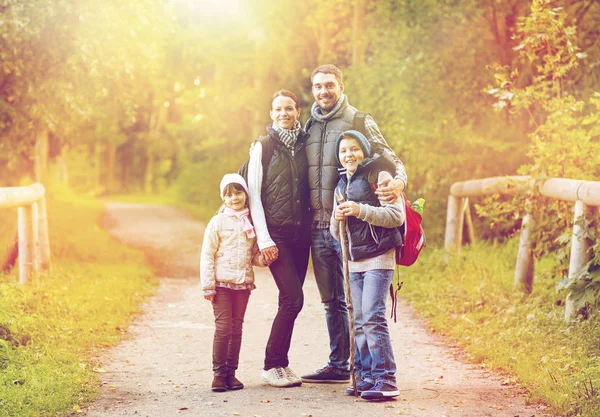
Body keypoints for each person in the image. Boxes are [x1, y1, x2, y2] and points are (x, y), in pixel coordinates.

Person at [301, 64, 408, 384]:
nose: (323, 91)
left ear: (341, 86)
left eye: (329, 85)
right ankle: (339, 365)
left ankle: (372, 372)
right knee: (331, 300)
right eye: (318, 86)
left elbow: (390, 158)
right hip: (320, 225)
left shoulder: (359, 120)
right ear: (313, 90)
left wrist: (400, 182)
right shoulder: (308, 126)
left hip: (352, 227)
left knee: (359, 304)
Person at [330, 130, 404, 399]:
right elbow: (334, 231)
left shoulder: (379, 175)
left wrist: (360, 210)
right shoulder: (340, 185)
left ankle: (386, 379)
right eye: (343, 151)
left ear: (363, 150)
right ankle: (364, 377)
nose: (349, 154)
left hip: (379, 256)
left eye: (354, 149)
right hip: (354, 261)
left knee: (373, 316)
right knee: (359, 320)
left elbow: (395, 216)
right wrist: (337, 215)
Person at [247, 90, 311, 388]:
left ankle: (281, 364)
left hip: (302, 235)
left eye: (288, 108)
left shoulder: (306, 144)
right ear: (271, 113)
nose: (283, 113)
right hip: (277, 235)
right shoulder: (262, 146)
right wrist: (264, 239)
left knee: (291, 301)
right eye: (277, 109)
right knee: (293, 298)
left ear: (298, 111)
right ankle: (272, 365)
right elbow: (254, 198)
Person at [200, 173, 266, 392]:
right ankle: (218, 374)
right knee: (224, 328)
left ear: (246, 195)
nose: (234, 198)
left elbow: (253, 254)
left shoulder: (253, 223)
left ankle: (231, 373)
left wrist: (262, 259)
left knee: (236, 328)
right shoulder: (218, 222)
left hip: (243, 284)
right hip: (221, 284)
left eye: (238, 193)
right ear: (223, 198)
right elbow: (207, 254)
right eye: (229, 195)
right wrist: (208, 285)